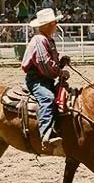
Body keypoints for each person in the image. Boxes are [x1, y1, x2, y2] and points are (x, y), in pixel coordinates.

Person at [21, 8, 71, 152]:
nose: (56, 25)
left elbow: (50, 60)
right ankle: (46, 135)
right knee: (48, 99)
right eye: (54, 23)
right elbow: (45, 65)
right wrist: (60, 72)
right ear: (48, 24)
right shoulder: (39, 40)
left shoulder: (47, 40)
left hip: (44, 79)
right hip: (37, 80)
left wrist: (61, 60)